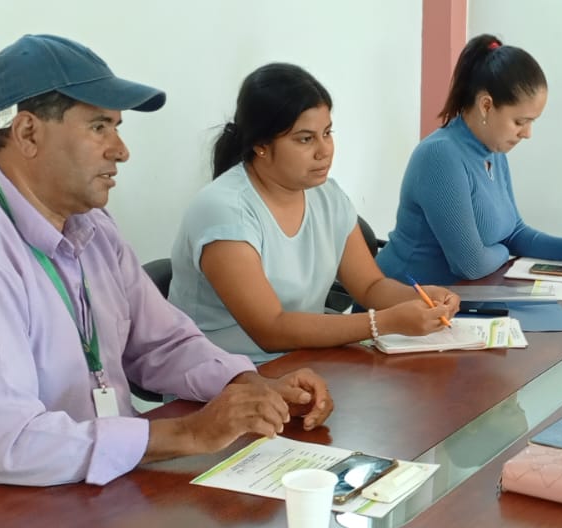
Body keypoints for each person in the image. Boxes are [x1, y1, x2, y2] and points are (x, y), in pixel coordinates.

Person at [0, 34, 332, 492]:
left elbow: (162, 344)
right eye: (100, 127)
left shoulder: (92, 226)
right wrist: (189, 433)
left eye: (117, 128)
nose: (121, 150)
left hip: (94, 489)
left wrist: (247, 385)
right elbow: (8, 444)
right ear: (27, 134)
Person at [171, 63, 458, 363]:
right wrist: (383, 322)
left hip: (301, 362)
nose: (325, 150)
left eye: (327, 133)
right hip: (224, 374)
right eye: (305, 139)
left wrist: (422, 297)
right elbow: (270, 329)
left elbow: (370, 286)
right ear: (261, 145)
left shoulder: (327, 196)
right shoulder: (224, 212)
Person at [375, 33, 562, 283]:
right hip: (406, 297)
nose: (527, 133)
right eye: (520, 122)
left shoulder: (494, 153)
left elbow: (515, 233)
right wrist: (505, 251)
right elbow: (471, 265)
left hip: (461, 295)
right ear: (486, 105)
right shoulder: (440, 156)